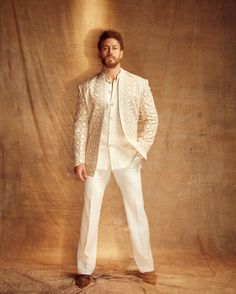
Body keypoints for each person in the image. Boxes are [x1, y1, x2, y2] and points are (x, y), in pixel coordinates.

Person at [73, 30, 158, 288]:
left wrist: (139, 150)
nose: (110, 52)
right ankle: (84, 269)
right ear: (100, 52)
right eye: (105, 48)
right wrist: (79, 159)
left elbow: (151, 119)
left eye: (114, 47)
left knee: (136, 210)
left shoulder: (139, 84)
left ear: (122, 52)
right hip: (94, 159)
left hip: (127, 159)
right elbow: (80, 125)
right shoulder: (87, 87)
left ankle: (146, 267)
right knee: (90, 212)